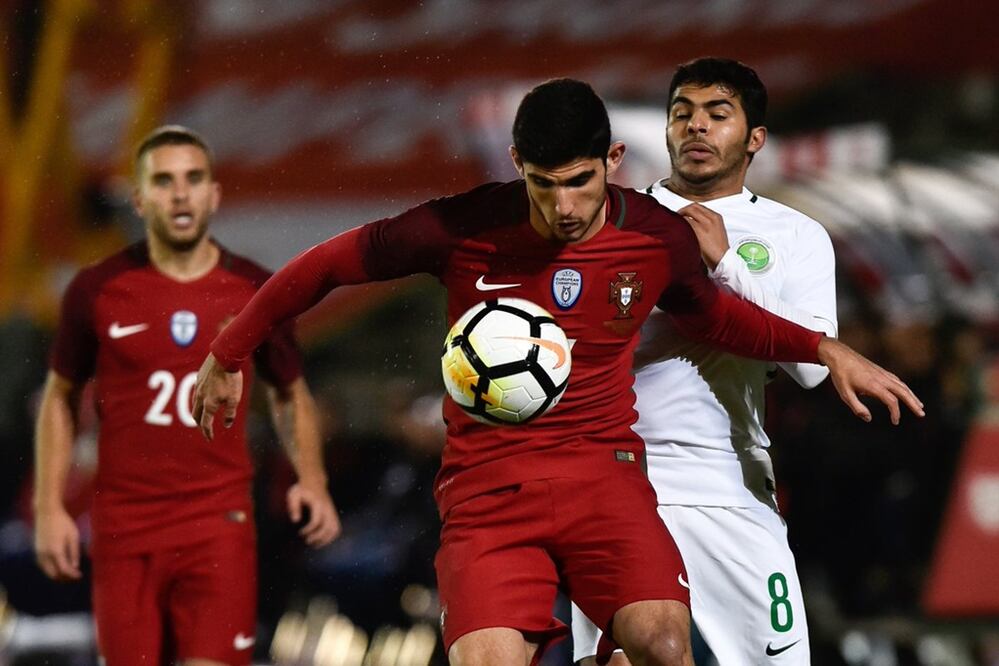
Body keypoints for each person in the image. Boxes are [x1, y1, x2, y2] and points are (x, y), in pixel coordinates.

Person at [191, 79, 922, 666]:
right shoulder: (462, 226)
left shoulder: (653, 235)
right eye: (544, 184)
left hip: (604, 479)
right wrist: (229, 352)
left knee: (666, 645)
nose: (565, 206)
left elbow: (717, 319)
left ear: (612, 159)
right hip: (487, 493)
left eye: (579, 181)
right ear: (516, 162)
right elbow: (324, 265)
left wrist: (823, 349)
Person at [33, 126, 341, 665]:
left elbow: (291, 393)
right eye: (165, 180)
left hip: (216, 526)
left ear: (213, 195)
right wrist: (48, 506)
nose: (181, 193)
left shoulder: (253, 291)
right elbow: (59, 398)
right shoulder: (96, 291)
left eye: (194, 179)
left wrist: (311, 479)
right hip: (125, 531)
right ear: (140, 198)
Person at [570, 57, 843, 665]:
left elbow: (811, 367)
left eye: (717, 114)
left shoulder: (795, 235)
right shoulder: (609, 221)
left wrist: (727, 265)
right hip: (619, 480)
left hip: (731, 485)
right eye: (682, 113)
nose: (696, 127)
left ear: (754, 139)